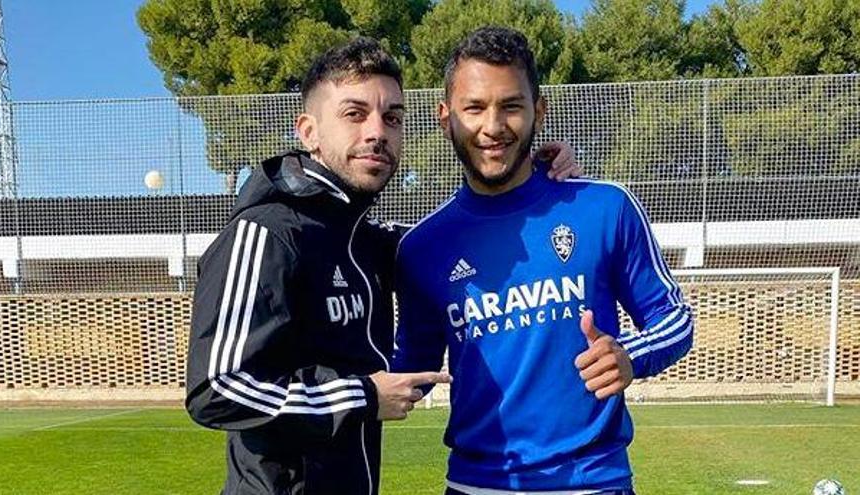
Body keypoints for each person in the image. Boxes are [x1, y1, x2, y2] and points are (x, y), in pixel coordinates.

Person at [185, 37, 580, 495]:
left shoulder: (365, 239)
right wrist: (364, 395)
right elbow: (216, 389)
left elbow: (453, 241)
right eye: (354, 114)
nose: (377, 131)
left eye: (392, 117)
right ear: (308, 131)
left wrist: (534, 177)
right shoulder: (268, 233)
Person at [394, 27, 694, 495]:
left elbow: (674, 319)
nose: (493, 126)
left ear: (540, 111)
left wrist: (631, 356)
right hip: (476, 486)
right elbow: (413, 367)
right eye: (474, 108)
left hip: (593, 484)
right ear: (445, 117)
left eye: (511, 106)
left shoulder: (604, 208)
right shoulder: (421, 246)